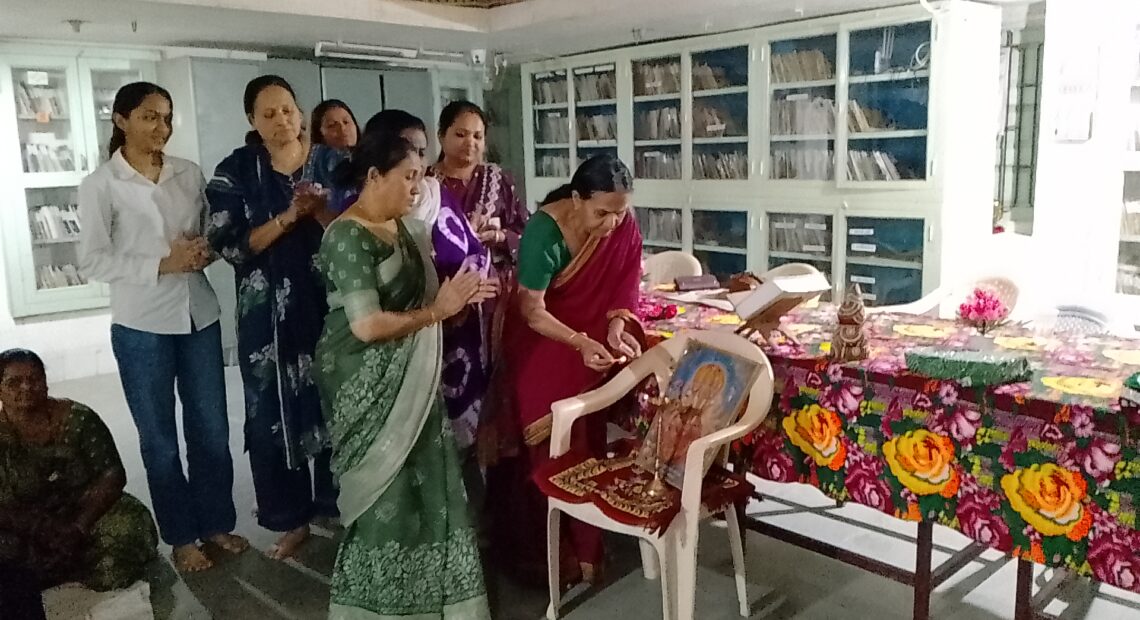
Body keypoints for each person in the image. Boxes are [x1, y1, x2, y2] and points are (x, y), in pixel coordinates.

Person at [313, 132, 496, 619]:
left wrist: (460, 300)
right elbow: (367, 325)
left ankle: (442, 603)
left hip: (413, 378)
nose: (418, 189)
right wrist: (439, 311)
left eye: (420, 177)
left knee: (431, 485)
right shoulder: (346, 237)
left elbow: (429, 305)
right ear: (374, 176)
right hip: (361, 380)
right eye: (409, 177)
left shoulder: (409, 230)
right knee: (384, 494)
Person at [77, 81, 247, 573]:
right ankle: (181, 535)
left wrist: (205, 250)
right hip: (141, 322)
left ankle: (215, 522)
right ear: (122, 120)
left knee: (211, 429)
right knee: (159, 438)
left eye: (167, 117)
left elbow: (210, 231)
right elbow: (91, 259)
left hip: (199, 313)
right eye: (149, 116)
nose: (161, 127)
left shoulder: (187, 172)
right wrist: (161, 263)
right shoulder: (101, 184)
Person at [487, 154, 643, 588]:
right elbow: (532, 311)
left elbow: (625, 282)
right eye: (602, 213)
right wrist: (580, 342)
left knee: (589, 433)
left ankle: (591, 543)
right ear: (576, 199)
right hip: (544, 338)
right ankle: (553, 551)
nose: (612, 224)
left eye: (620, 213)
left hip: (591, 339)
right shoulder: (544, 232)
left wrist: (615, 327)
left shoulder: (621, 225)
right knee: (548, 430)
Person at [206, 75, 340, 561]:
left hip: (331, 304)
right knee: (272, 413)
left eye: (287, 109)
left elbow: (358, 226)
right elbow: (230, 245)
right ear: (252, 121)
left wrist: (319, 212)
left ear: (300, 112)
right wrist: (288, 216)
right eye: (268, 114)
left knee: (336, 401)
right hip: (268, 319)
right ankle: (291, 518)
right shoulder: (237, 171)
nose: (281, 120)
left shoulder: (333, 162)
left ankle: (338, 504)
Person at [365, 109, 492, 455]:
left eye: (422, 153)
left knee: (454, 447)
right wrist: (439, 301)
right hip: (397, 340)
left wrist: (470, 285)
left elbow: (473, 250)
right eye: (407, 152)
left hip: (454, 336)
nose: (418, 164)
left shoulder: (434, 193)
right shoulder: (359, 217)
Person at [0, 348, 158, 594]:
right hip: (27, 524)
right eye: (14, 382)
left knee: (133, 525)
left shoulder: (79, 420)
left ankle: (60, 568)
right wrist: (40, 529)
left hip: (83, 513)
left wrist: (77, 528)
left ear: (46, 383)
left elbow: (113, 475)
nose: (26, 388)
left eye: (35, 379)